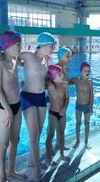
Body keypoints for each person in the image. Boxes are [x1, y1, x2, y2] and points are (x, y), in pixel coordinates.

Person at [19, 32, 56, 180]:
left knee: (38, 133)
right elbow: (10, 57)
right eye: (51, 46)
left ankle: (32, 161)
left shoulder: (43, 63)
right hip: (28, 97)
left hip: (41, 98)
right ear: (43, 45)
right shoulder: (28, 56)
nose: (52, 49)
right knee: (33, 135)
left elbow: (43, 80)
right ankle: (35, 168)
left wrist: (51, 83)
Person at [0, 30, 27, 182]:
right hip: (5, 107)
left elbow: (27, 64)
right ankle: (2, 175)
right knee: (4, 142)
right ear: (7, 46)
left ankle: (11, 171)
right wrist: (8, 110)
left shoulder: (15, 61)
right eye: (17, 45)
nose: (20, 48)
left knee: (15, 140)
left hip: (17, 105)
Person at [45, 65, 71, 166]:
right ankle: (49, 158)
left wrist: (64, 109)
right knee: (51, 134)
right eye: (59, 74)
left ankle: (62, 154)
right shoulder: (50, 85)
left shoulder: (65, 85)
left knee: (62, 133)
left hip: (62, 113)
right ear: (54, 76)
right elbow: (42, 79)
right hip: (53, 113)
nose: (62, 75)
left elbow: (67, 98)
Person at [69, 62, 93, 149]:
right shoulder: (76, 80)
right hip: (78, 106)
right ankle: (77, 140)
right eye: (85, 70)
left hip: (87, 106)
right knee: (78, 123)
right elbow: (66, 81)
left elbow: (91, 94)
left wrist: (91, 107)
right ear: (81, 71)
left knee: (87, 123)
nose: (87, 72)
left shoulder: (90, 82)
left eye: (88, 71)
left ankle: (86, 141)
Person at [53, 46, 72, 151]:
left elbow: (66, 88)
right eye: (67, 56)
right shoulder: (54, 68)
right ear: (60, 56)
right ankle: (56, 144)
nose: (69, 59)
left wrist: (66, 104)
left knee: (62, 125)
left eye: (70, 56)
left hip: (64, 100)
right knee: (55, 125)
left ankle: (60, 144)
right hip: (55, 102)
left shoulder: (66, 70)